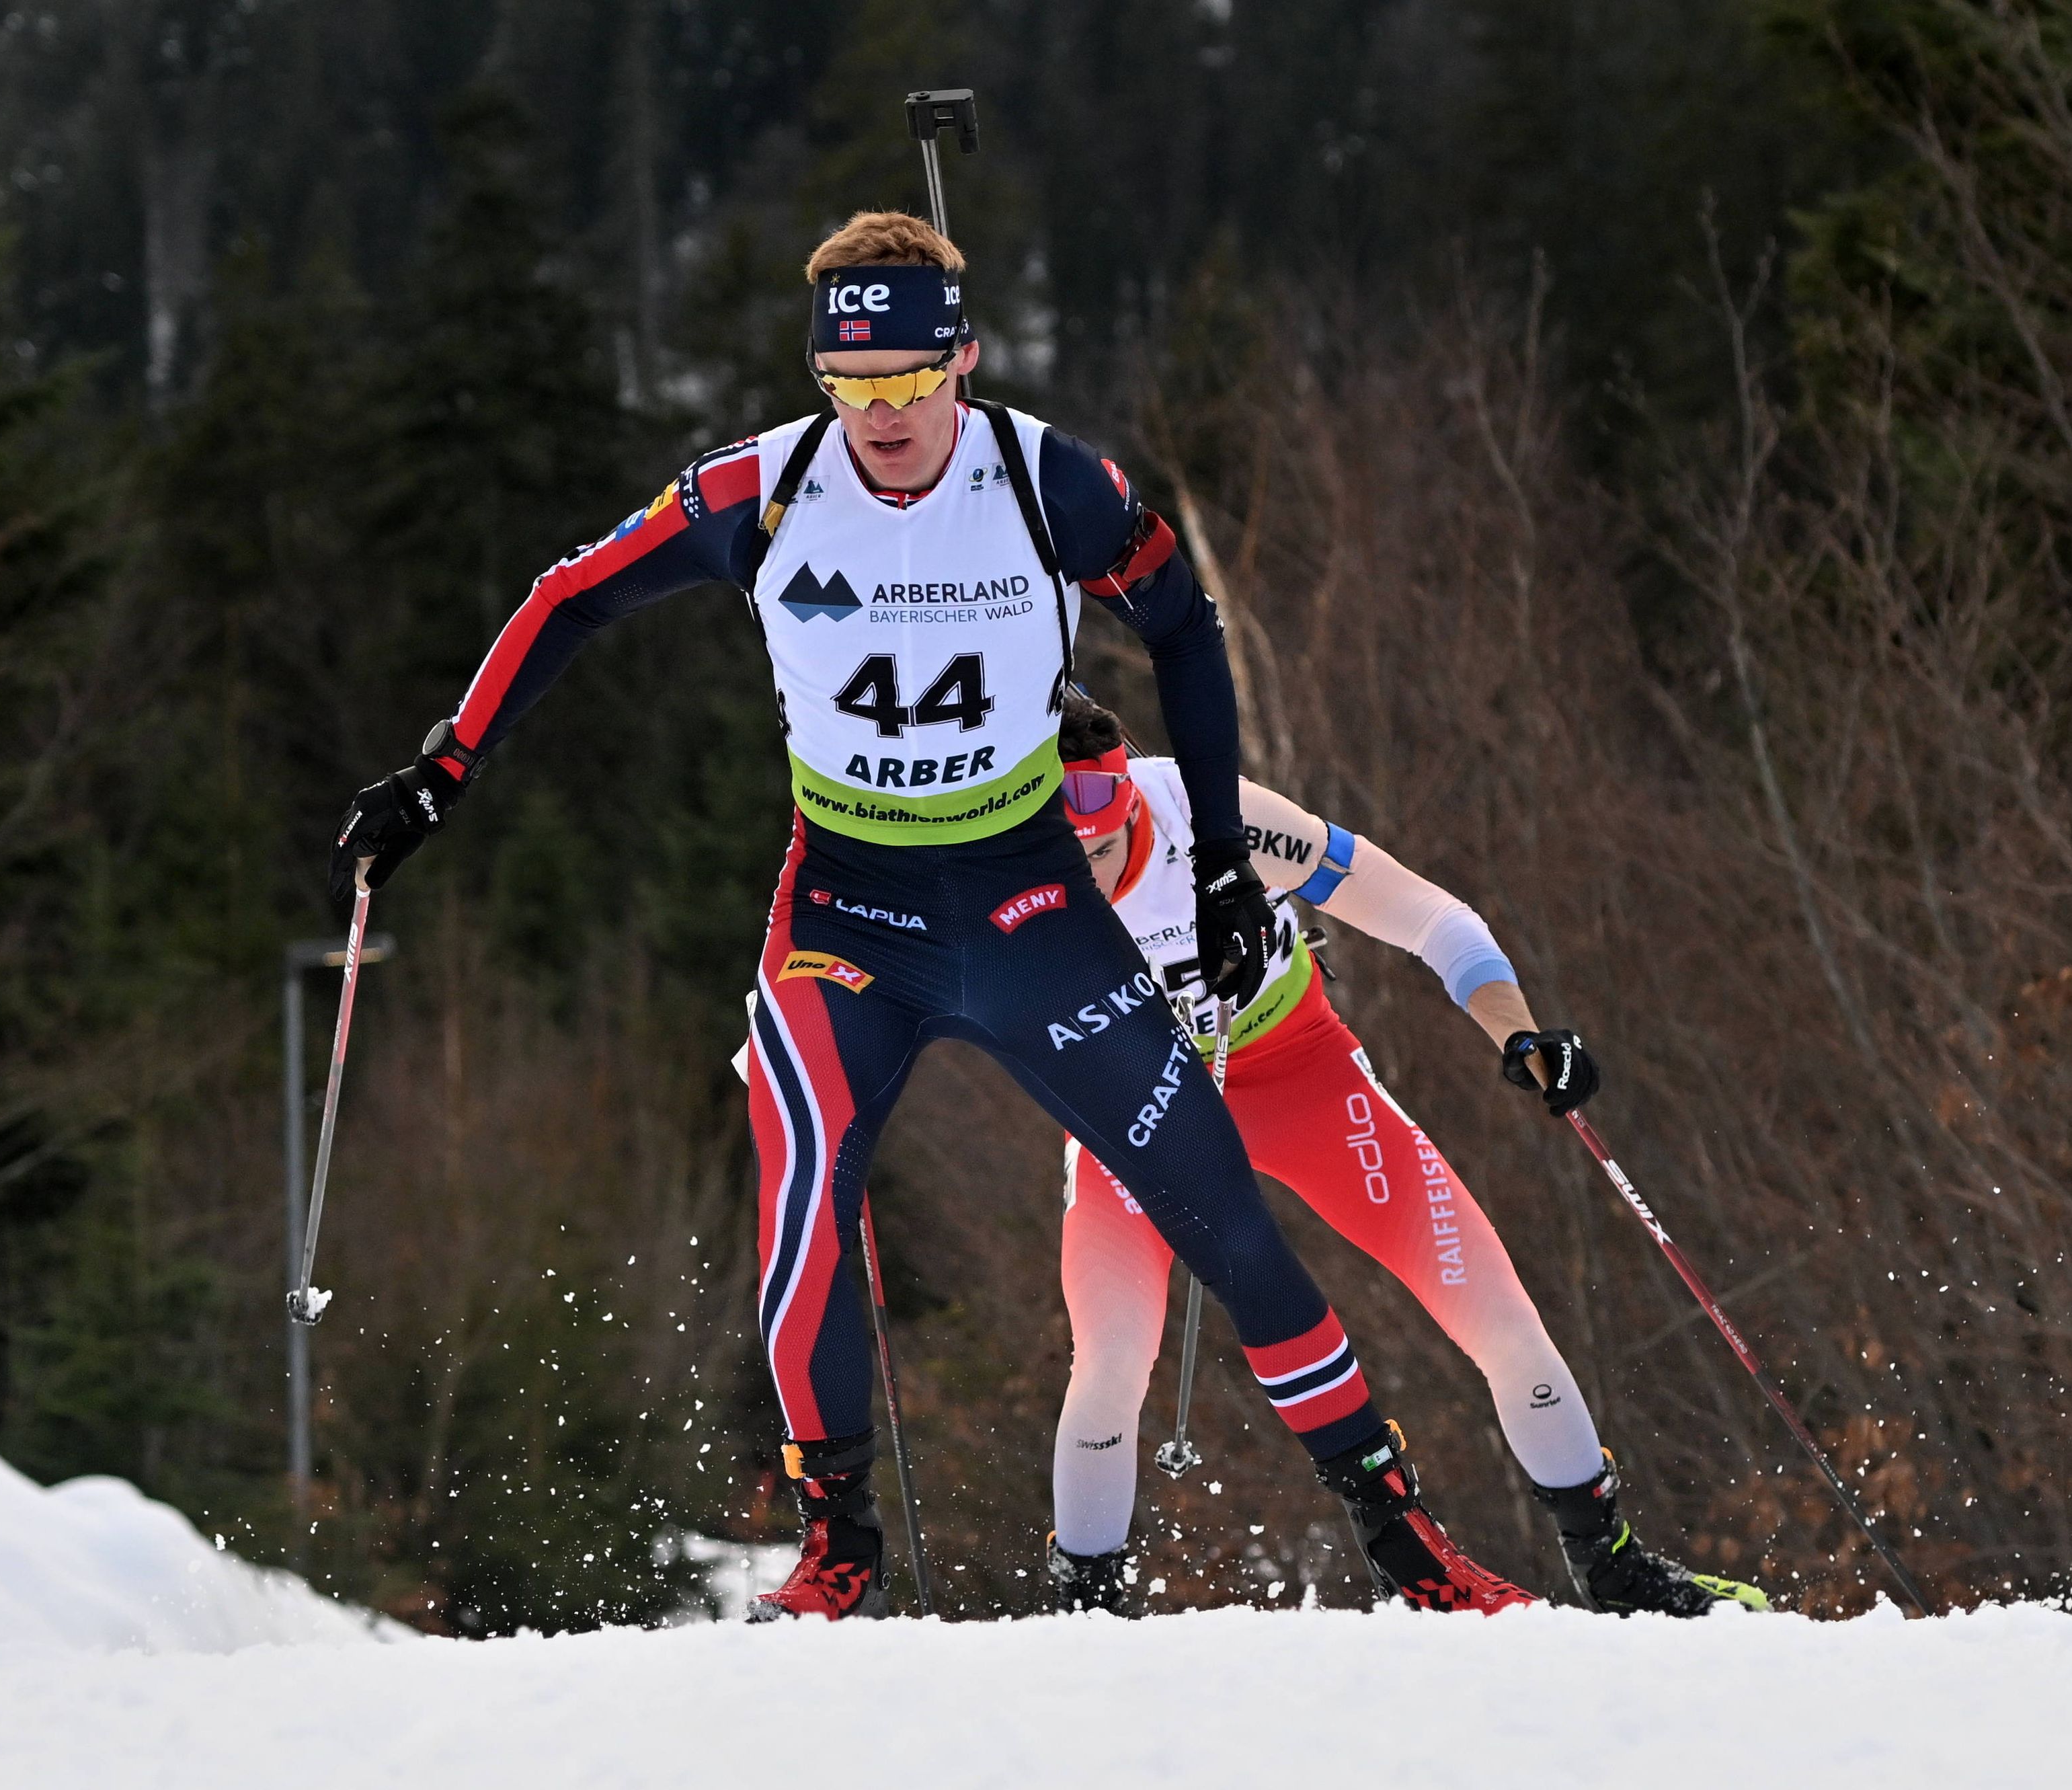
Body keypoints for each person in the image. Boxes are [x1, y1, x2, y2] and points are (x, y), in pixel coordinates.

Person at [330, 212, 1478, 1621]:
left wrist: (1225, 867)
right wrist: (446, 768)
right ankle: (836, 1549)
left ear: (963, 362)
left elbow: (1182, 624)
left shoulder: (1046, 480)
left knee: (1218, 1206)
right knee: (804, 1196)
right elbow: (568, 595)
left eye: (906, 382)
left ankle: (1410, 1549)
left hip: (1024, 896)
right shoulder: (762, 488)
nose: (879, 416)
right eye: (848, 385)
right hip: (846, 908)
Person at [1043, 697, 1768, 1618]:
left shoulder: (1213, 815)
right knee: (1109, 1359)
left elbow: (1432, 915)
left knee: (1497, 1312)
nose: (1086, 882)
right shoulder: (994, 861)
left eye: (1100, 853)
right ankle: (1086, 1613)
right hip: (1130, 1104)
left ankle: (1614, 1566)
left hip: (1294, 1069)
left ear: (1131, 809)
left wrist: (1520, 1035)